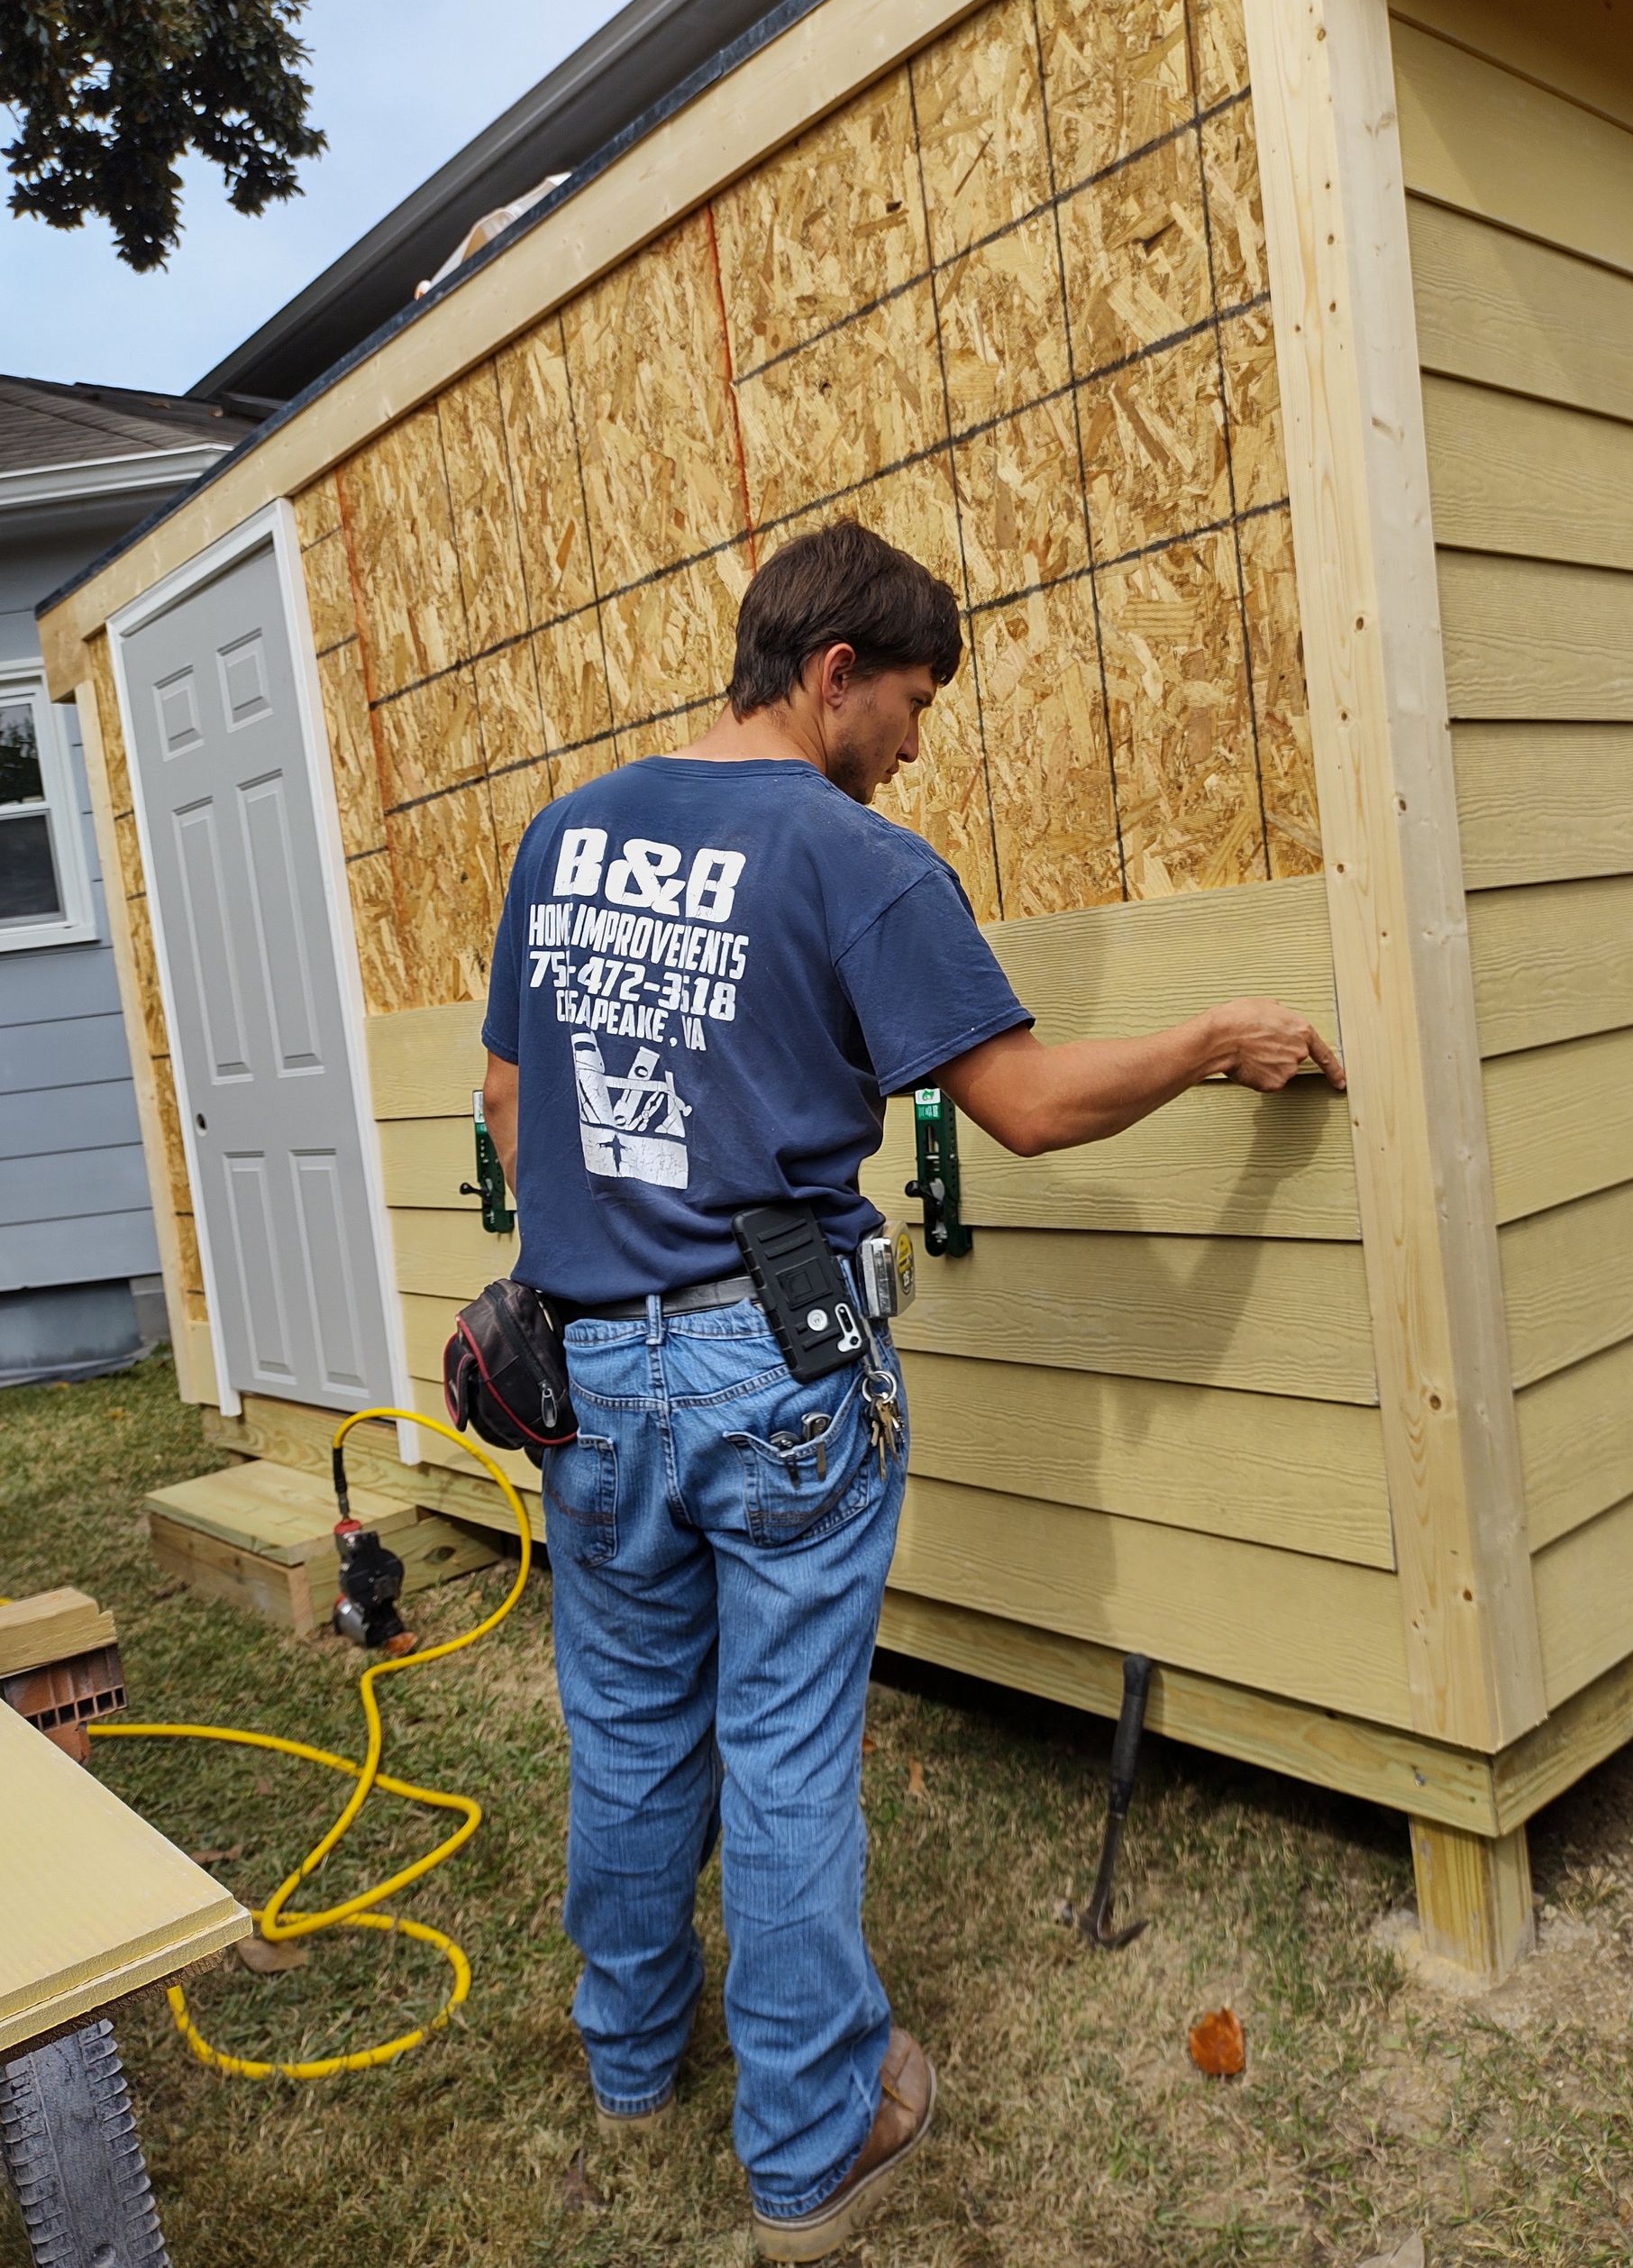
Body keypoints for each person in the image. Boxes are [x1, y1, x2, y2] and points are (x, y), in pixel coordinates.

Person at [479, 517, 1345, 2261]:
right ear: (833, 675)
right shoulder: (850, 853)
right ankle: (810, 2145)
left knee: (635, 1736)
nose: (918, 741)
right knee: (789, 1753)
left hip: (581, 1359)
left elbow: (513, 1103)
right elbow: (1021, 1104)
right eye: (915, 700)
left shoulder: (565, 835)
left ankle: (633, 2060)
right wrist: (1211, 1038)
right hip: (775, 1364)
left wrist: (609, 1255)